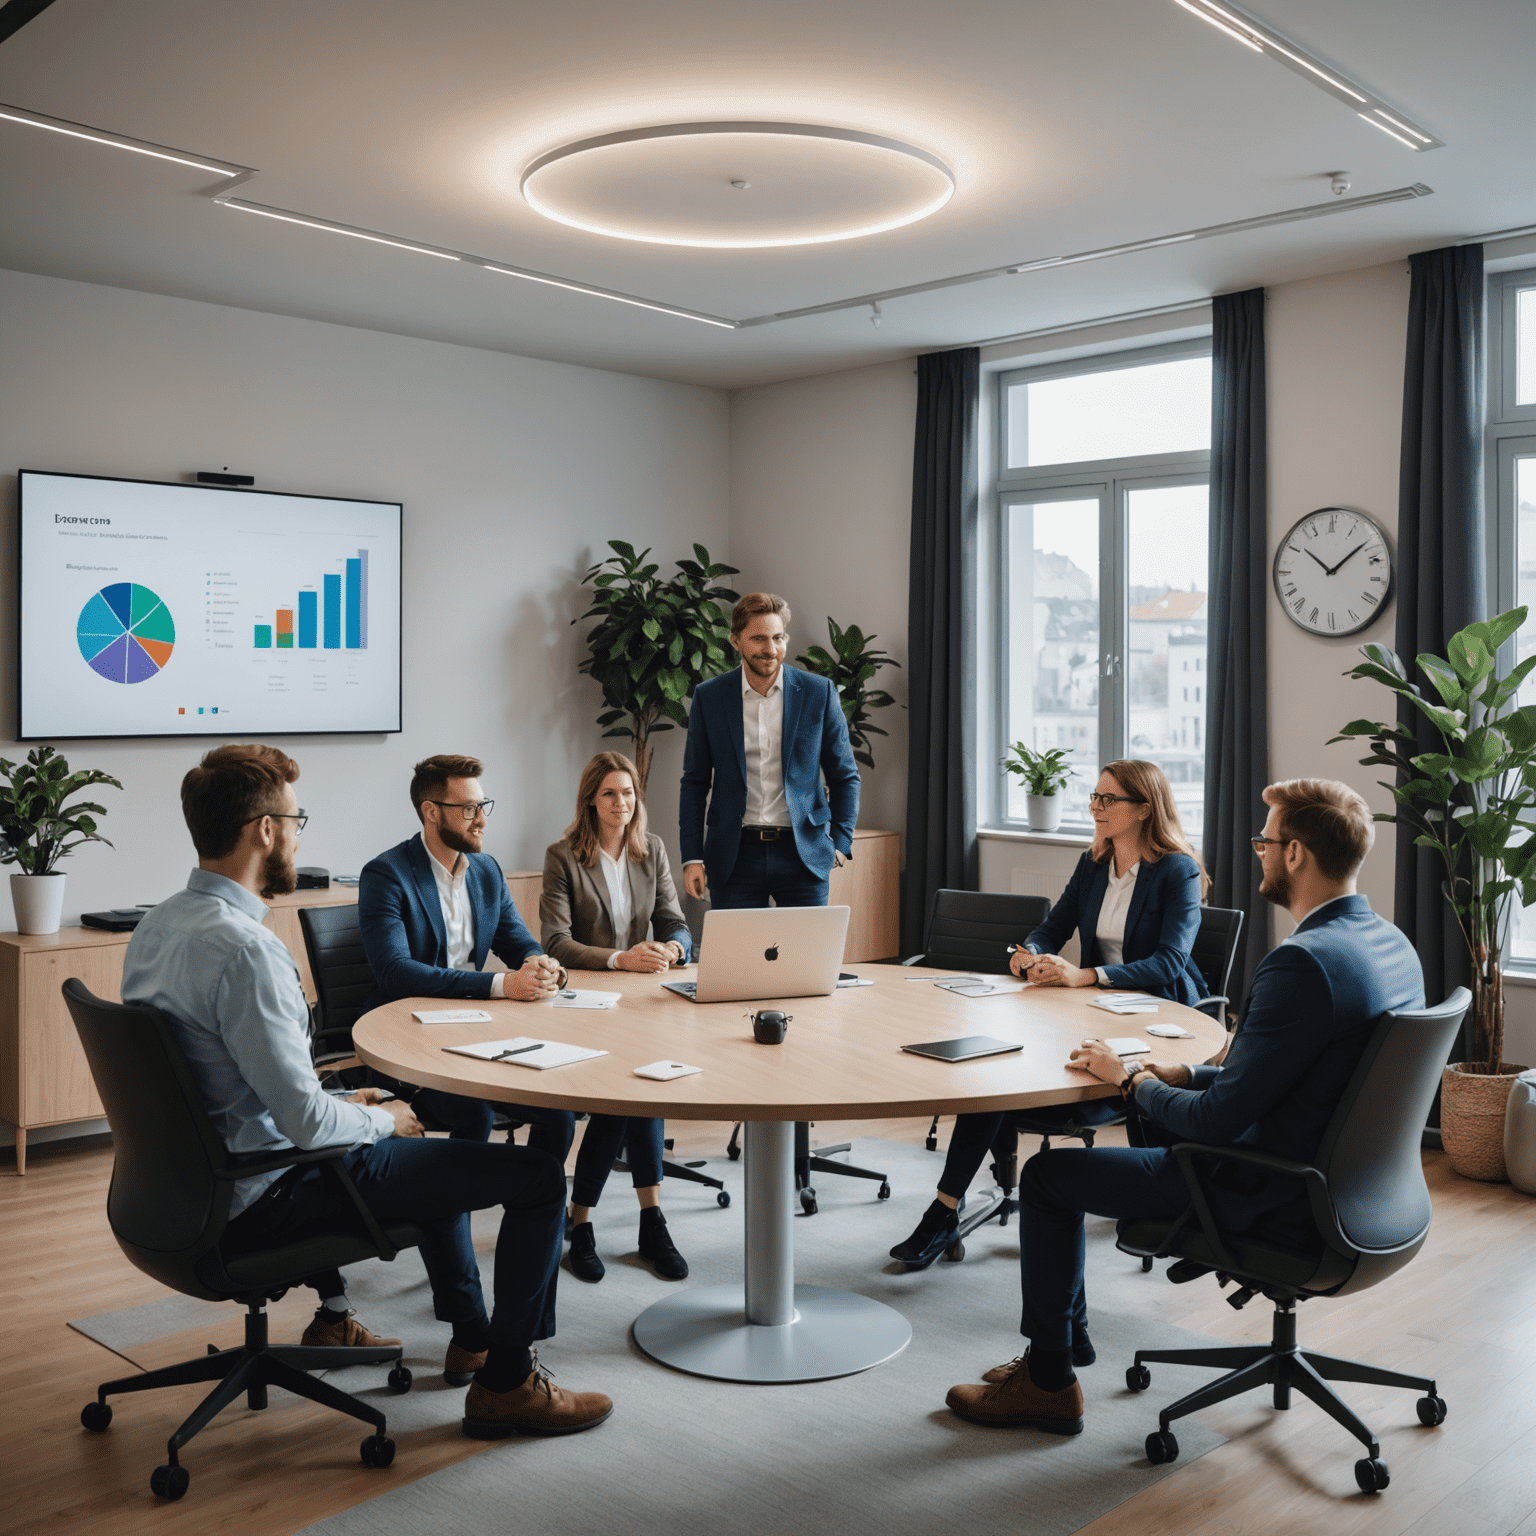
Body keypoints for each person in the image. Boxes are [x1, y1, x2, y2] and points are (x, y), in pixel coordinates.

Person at [121, 744, 612, 1438]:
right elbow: (304, 1123)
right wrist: (383, 1122)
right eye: (296, 819)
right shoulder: (247, 950)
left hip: (184, 1192)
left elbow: (248, 1090)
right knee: (534, 1177)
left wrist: (358, 1105)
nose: (297, 833)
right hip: (273, 1192)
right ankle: (507, 1383)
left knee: (440, 1162)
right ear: (265, 830)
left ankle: (473, 1335)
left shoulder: (156, 927)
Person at [943, 777, 1424, 1435]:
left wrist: (1131, 1082)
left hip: (1266, 1190)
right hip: (1363, 1191)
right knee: (1092, 1157)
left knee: (1048, 1178)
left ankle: (1049, 1381)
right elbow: (1286, 1076)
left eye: (1266, 840)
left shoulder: (1300, 964)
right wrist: (1183, 1069)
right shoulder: (1392, 946)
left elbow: (1213, 1121)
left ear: (1295, 856)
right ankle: (1061, 1341)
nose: (1257, 851)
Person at [890, 759, 1209, 1277]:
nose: (1094, 807)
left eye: (1108, 800)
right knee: (990, 1069)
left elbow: (1170, 962)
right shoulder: (1093, 862)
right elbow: (1054, 925)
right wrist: (1026, 953)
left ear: (1144, 809)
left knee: (1001, 1070)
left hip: (1152, 1013)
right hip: (1085, 1009)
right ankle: (944, 1211)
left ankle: (1157, 1201)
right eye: (1095, 797)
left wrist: (1085, 976)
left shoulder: (1178, 870)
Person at [358, 753, 576, 1155]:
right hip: (410, 1037)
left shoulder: (485, 870)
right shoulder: (386, 874)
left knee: (558, 1114)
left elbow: (518, 942)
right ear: (431, 812)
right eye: (469, 809)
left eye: (482, 806)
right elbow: (396, 972)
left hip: (478, 1033)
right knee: (475, 1114)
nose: (482, 820)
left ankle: (534, 1211)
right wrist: (502, 984)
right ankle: (450, 1209)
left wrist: (540, 965)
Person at [540, 751, 694, 1283]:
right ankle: (589, 1223)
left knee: (644, 1087)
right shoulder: (563, 856)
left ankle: (640, 1220)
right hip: (585, 1003)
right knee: (624, 1097)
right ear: (590, 800)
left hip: (645, 1003)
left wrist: (673, 950)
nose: (621, 803)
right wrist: (618, 959)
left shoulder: (650, 850)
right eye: (610, 793)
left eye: (628, 793)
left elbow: (677, 923)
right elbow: (556, 942)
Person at [679, 591, 860, 911]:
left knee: (808, 959)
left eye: (778, 637)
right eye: (758, 639)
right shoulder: (710, 698)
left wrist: (840, 842)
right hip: (735, 856)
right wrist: (692, 856)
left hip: (803, 853)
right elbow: (694, 782)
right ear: (735, 641)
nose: (770, 649)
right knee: (740, 960)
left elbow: (845, 775)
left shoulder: (819, 693)